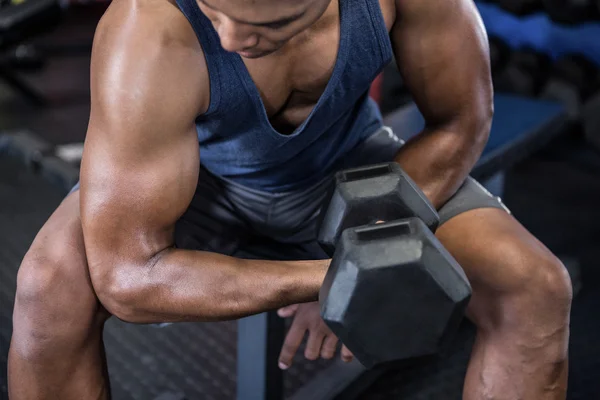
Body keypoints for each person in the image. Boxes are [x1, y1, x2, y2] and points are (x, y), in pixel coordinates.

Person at [8, 0, 572, 398]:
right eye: (214, 12)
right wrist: (333, 277)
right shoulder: (147, 29)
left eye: (270, 22)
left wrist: (361, 238)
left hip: (353, 169)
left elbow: (461, 120)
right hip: (196, 182)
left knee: (535, 287)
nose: (229, 39)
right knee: (50, 288)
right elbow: (129, 277)